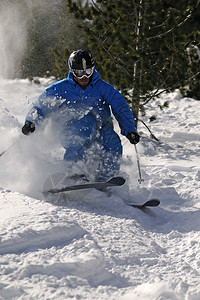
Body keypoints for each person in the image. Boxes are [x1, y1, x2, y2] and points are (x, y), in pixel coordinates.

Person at [22, 49, 140, 181]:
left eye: (88, 72)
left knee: (113, 142)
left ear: (93, 69)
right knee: (85, 126)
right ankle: (74, 171)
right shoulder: (61, 88)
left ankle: (106, 179)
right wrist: (31, 122)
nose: (84, 77)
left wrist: (130, 130)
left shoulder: (102, 88)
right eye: (79, 73)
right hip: (70, 128)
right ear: (72, 71)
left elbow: (121, 107)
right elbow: (41, 106)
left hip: (100, 127)